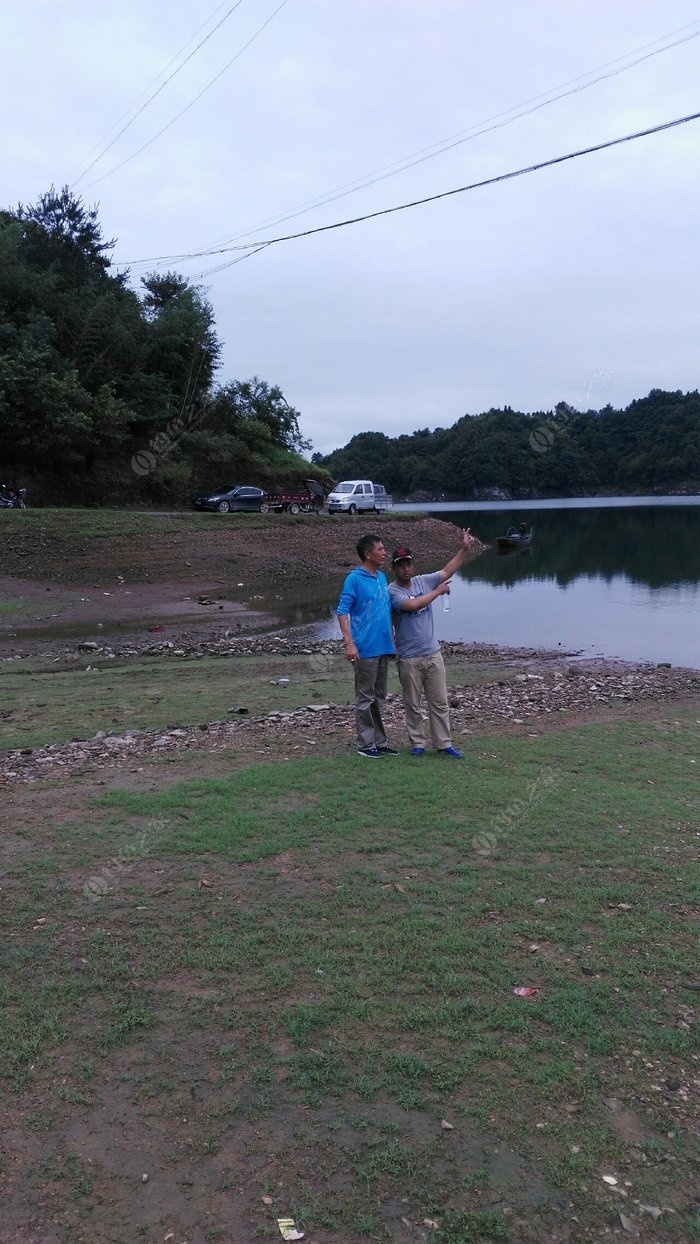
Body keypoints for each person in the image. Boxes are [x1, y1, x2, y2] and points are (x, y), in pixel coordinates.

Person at [388, 529, 480, 758]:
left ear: (413, 566)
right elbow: (413, 606)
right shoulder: (391, 591)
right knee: (413, 704)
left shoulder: (423, 581)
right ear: (394, 568)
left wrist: (463, 550)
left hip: (432, 653)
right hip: (408, 657)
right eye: (401, 565)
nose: (406, 568)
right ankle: (417, 744)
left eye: (408, 564)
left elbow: (448, 570)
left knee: (439, 702)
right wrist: (438, 592)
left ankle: (444, 744)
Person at [336, 533, 399, 758]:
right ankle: (365, 745)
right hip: (364, 648)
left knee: (378, 697)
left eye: (384, 549)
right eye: (380, 549)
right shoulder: (354, 579)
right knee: (365, 698)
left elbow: (385, 612)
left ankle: (379, 742)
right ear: (367, 554)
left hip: (383, 647)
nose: (384, 553)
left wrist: (393, 642)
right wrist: (349, 643)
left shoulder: (381, 577)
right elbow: (342, 611)